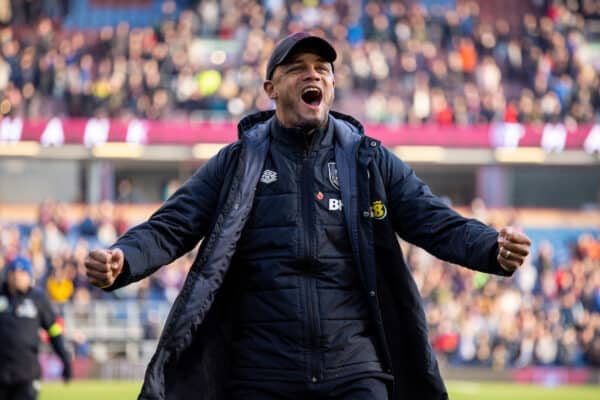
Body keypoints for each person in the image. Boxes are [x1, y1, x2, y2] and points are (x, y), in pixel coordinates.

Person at [84, 32, 531, 400]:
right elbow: (171, 226)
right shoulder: (237, 163)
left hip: (355, 371)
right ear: (271, 89)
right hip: (262, 374)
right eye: (298, 67)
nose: (313, 73)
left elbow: (435, 220)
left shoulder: (368, 160)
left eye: (323, 68)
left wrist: (492, 248)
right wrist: (123, 257)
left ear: (332, 86)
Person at [0, 256, 72, 400]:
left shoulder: (38, 299)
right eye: (13, 272)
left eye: (22, 272)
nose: (16, 276)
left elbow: (54, 331)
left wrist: (65, 359)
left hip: (27, 374)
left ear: (29, 276)